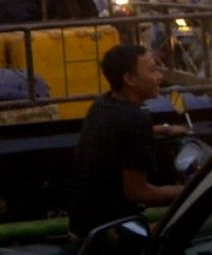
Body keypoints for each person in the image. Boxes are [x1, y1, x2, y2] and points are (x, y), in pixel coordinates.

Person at [68, 44, 187, 240]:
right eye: (152, 70)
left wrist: (164, 129)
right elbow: (137, 192)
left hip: (83, 225)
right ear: (130, 79)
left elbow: (119, 132)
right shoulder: (136, 119)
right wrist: (191, 190)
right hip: (111, 234)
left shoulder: (102, 104)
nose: (159, 77)